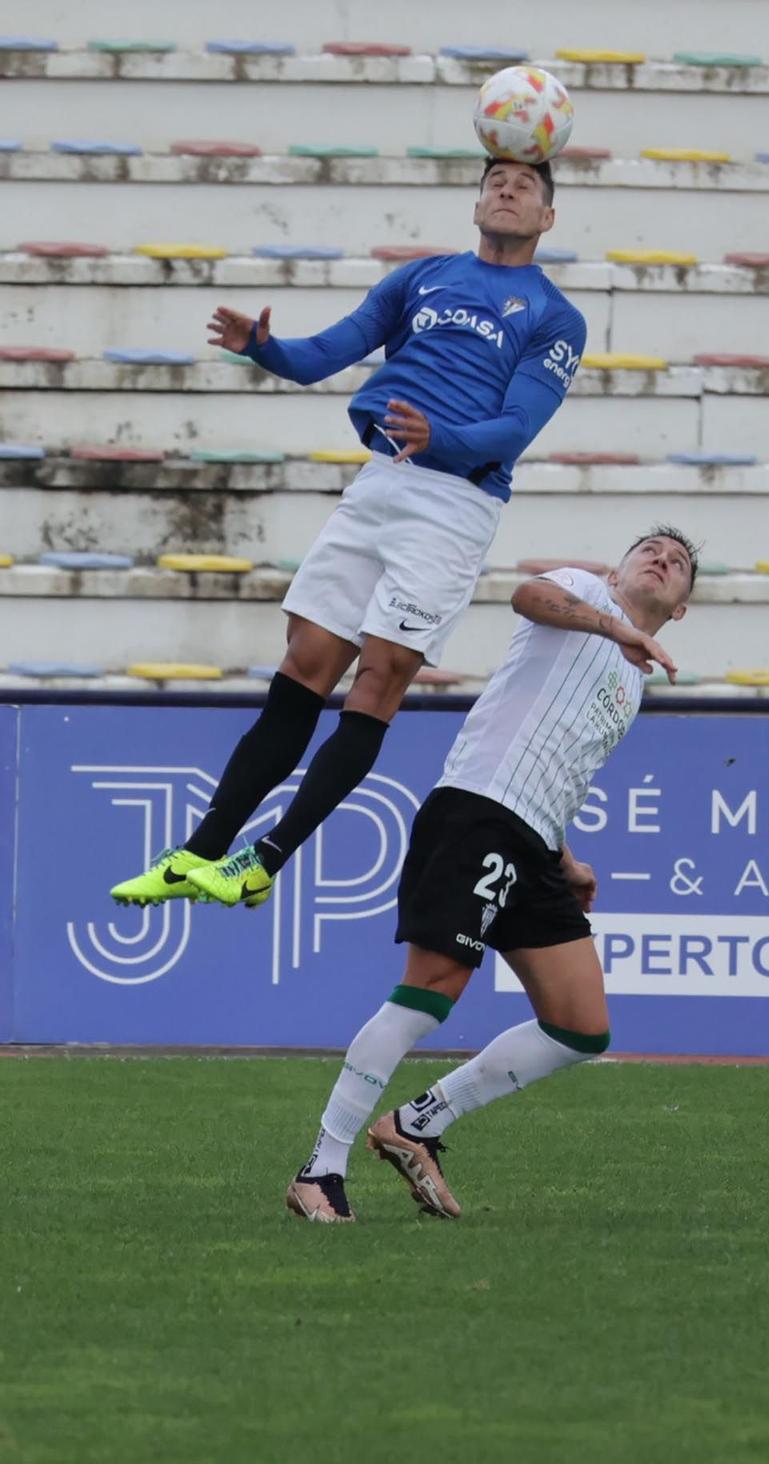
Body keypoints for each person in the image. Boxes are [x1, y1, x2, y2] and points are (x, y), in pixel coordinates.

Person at [111, 157, 589, 911]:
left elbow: (517, 427)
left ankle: (263, 859)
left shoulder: (554, 316)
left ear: (547, 218)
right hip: (381, 483)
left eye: (525, 185)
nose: (507, 188)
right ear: (475, 201)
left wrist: (445, 435)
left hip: (454, 503)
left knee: (378, 679)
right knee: (305, 665)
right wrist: (263, 348)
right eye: (496, 178)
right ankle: (199, 852)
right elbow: (324, 354)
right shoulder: (421, 278)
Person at [283, 527, 693, 1223]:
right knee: (431, 989)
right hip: (477, 811)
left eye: (679, 563)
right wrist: (610, 624)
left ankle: (418, 1124)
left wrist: (565, 861)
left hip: (534, 841)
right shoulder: (586, 593)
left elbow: (560, 768)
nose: (662, 559)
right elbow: (527, 595)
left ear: (681, 607)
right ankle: (321, 1168)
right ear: (617, 568)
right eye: (649, 549)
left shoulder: (632, 680)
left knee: (581, 1025)